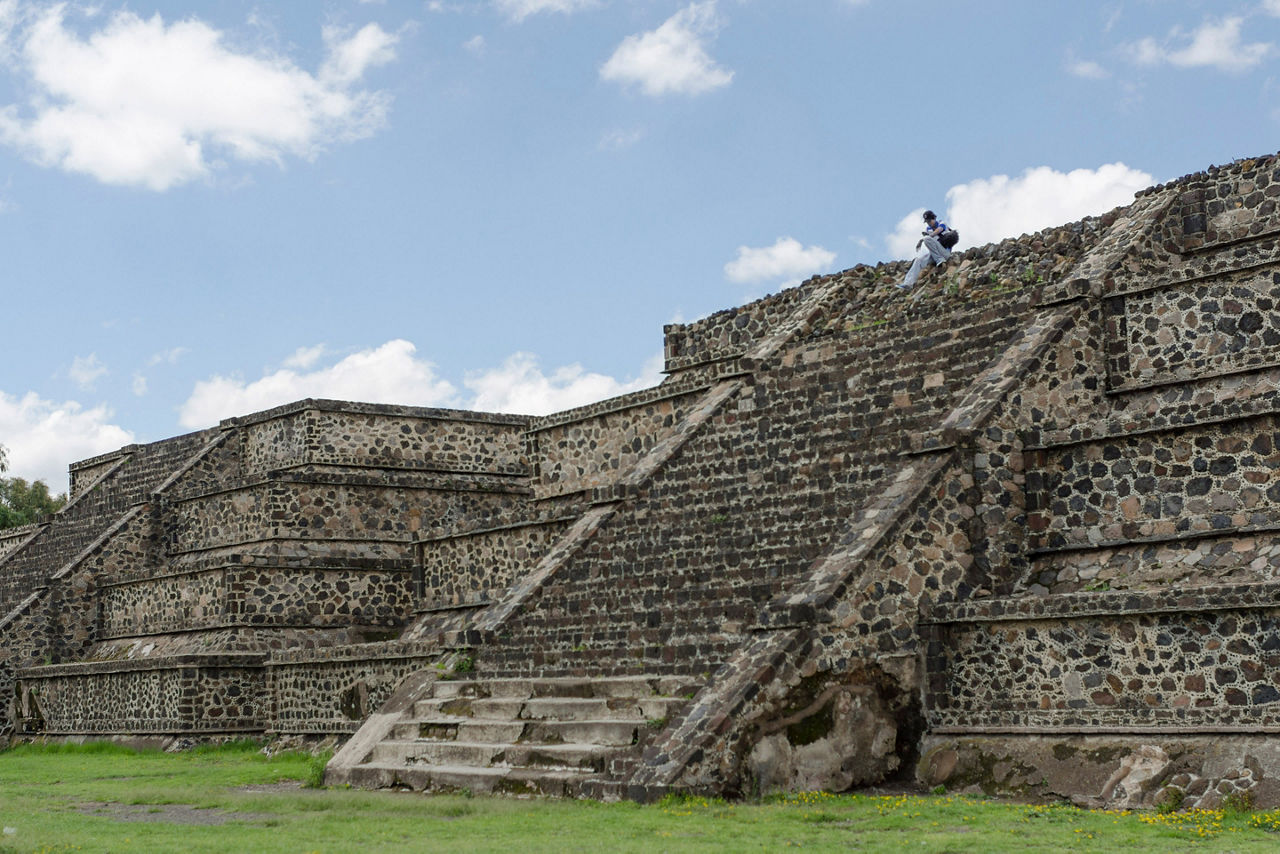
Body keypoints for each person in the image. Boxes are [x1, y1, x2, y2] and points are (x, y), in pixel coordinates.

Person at [897, 210, 951, 290]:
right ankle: (908, 283)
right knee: (918, 260)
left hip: (945, 252)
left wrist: (924, 239)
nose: (929, 223)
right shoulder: (928, 229)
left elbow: (938, 230)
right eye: (927, 222)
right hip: (935, 254)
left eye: (929, 221)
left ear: (934, 218)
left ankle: (940, 260)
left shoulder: (941, 223)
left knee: (926, 239)